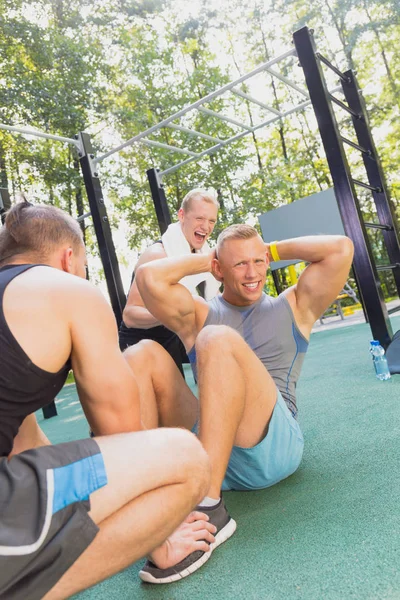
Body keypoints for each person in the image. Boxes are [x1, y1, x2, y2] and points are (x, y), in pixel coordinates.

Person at [0, 202, 215, 600]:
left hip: (10, 491)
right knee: (186, 456)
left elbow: (24, 447)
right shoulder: (68, 290)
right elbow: (122, 435)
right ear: (68, 258)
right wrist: (161, 541)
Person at [132, 223, 354, 583]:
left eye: (258, 262)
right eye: (239, 265)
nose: (252, 274)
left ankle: (209, 506)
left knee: (217, 339)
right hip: (211, 448)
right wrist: (211, 258)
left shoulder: (295, 305)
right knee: (142, 354)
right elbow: (148, 277)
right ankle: (150, 506)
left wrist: (270, 249)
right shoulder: (200, 313)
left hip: (270, 447)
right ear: (219, 269)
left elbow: (341, 248)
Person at [119, 188, 221, 373]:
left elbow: (214, 303)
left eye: (211, 221)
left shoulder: (203, 256)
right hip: (138, 344)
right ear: (182, 215)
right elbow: (130, 315)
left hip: (171, 337)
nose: (206, 227)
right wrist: (175, 315)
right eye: (199, 218)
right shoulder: (158, 255)